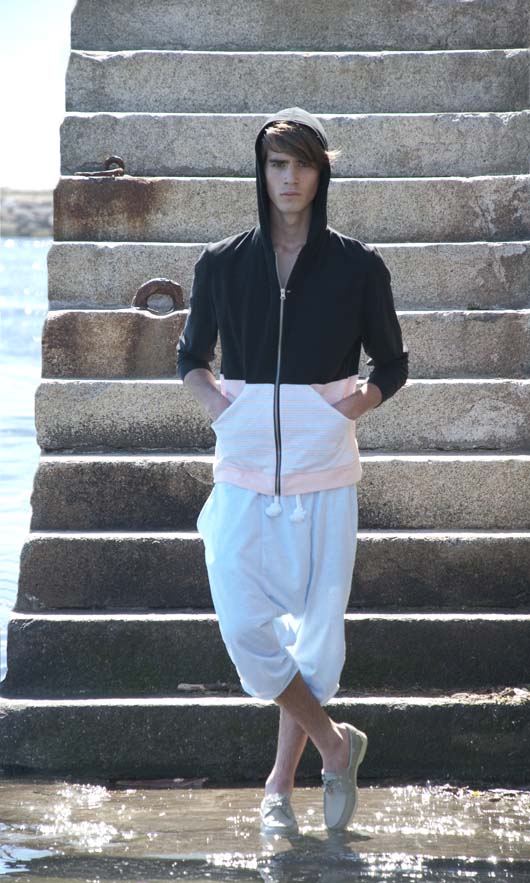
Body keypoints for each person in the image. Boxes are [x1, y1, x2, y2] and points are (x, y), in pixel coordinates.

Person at [176, 107, 408, 834]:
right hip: (243, 472)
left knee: (315, 642)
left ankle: (279, 784)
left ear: (320, 174)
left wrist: (345, 411)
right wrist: (224, 411)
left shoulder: (358, 266)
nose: (290, 178)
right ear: (261, 171)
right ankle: (337, 745)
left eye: (303, 164)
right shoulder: (221, 263)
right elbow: (190, 357)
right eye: (278, 164)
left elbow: (392, 363)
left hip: (325, 476)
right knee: (247, 628)